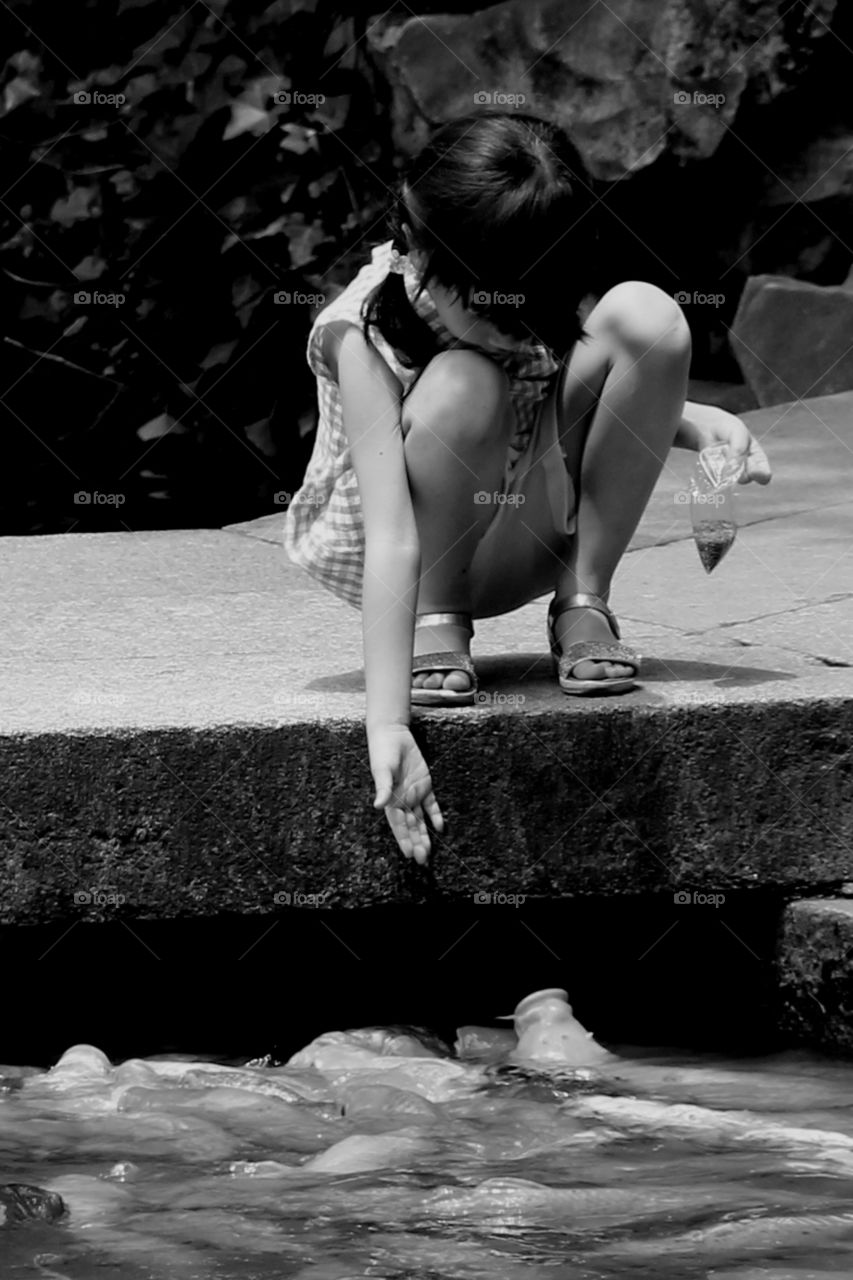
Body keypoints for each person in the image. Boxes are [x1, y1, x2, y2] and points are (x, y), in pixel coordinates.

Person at [283, 112, 771, 864]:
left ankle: (582, 600)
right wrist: (387, 727)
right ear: (427, 260)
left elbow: (565, 390)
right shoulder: (361, 329)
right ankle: (440, 623)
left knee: (648, 316)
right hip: (421, 565)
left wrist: (691, 420)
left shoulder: (528, 286)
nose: (497, 323)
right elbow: (392, 537)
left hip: (521, 521)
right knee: (463, 382)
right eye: (474, 302)